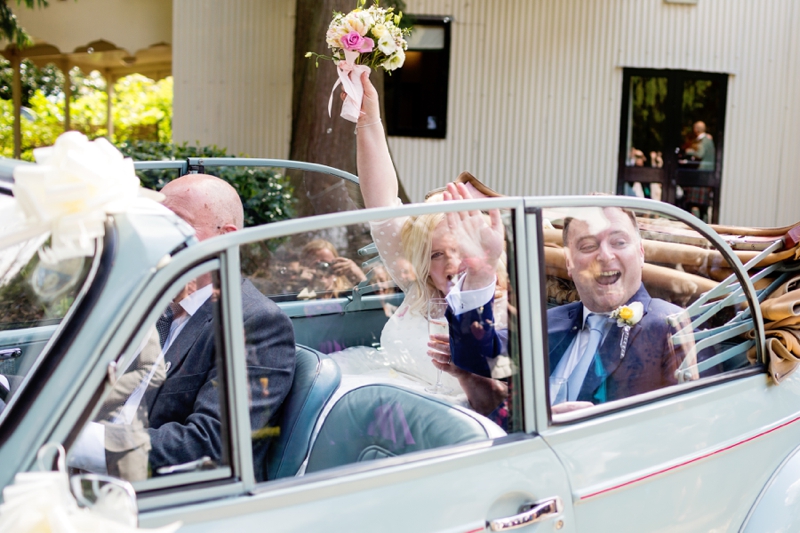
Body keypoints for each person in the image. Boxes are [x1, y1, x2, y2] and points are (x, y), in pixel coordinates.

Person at [73, 174, 296, 481]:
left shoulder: (255, 322)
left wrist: (76, 441)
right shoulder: (152, 305)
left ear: (223, 238)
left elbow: (209, 443)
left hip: (162, 497)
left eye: (174, 223)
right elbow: (86, 384)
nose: (156, 237)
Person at [332, 71, 507, 414]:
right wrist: (369, 119)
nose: (451, 264)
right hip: (376, 396)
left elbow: (503, 396)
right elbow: (381, 206)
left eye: (462, 249)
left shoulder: (504, 314)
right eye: (437, 253)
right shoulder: (419, 288)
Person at [546, 206, 687, 412]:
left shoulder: (671, 326)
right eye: (587, 246)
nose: (604, 255)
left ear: (641, 253)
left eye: (619, 242)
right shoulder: (541, 323)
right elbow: (488, 361)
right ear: (568, 261)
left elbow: (696, 424)